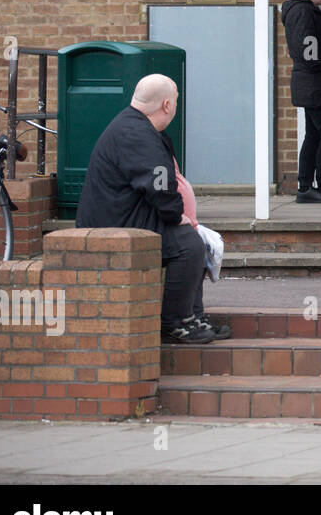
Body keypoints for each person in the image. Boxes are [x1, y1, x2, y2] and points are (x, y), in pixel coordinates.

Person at [75, 75, 228, 344]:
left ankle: (193, 317)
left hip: (126, 217)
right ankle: (175, 323)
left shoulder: (135, 126)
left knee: (195, 240)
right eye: (177, 100)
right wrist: (175, 214)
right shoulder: (137, 135)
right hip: (115, 226)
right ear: (167, 104)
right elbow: (158, 183)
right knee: (188, 246)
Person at [282, 0, 321, 204]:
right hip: (315, 86)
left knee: (315, 135)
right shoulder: (303, 12)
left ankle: (310, 186)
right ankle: (316, 186)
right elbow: (308, 52)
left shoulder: (304, 10)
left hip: (313, 84)